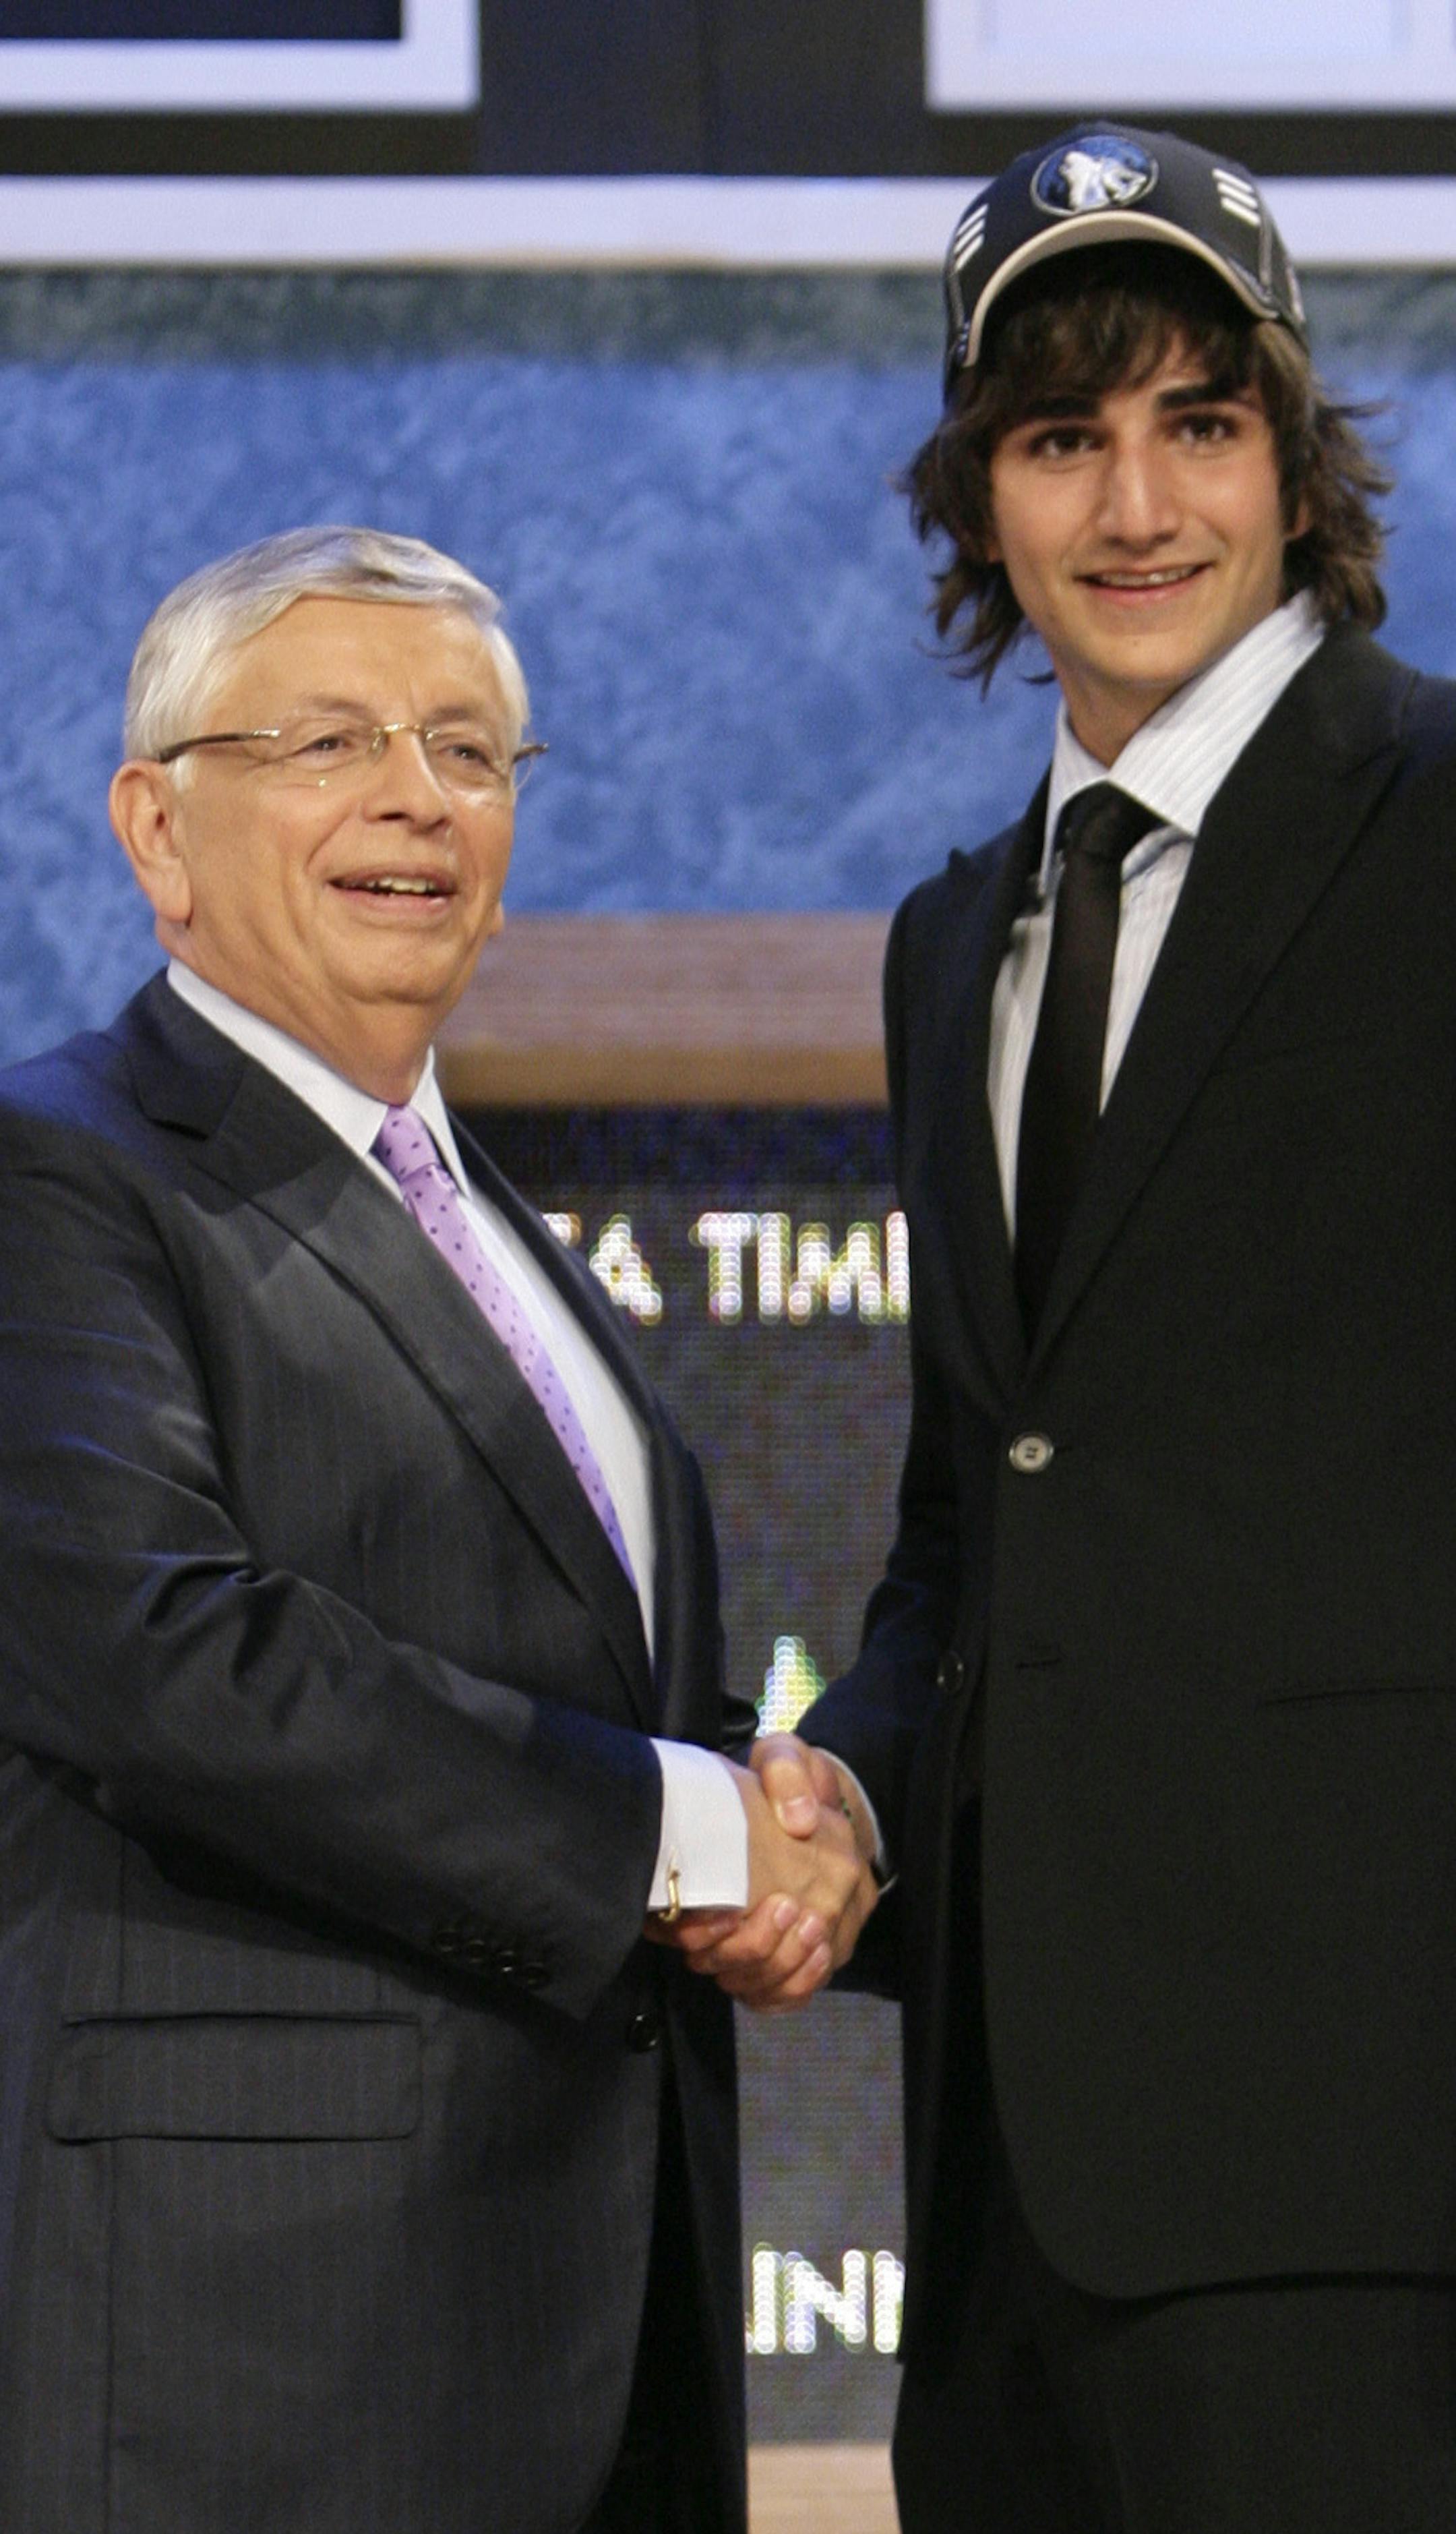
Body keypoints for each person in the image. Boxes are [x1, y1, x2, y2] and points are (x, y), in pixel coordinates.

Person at [679, 122, 1456, 2530]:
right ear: (981, 506)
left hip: (1371, 2173)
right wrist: (843, 1795)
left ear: (1295, 465)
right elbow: (980, 1510)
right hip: (1015, 2189)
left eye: (1197, 424)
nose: (1136, 504)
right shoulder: (952, 942)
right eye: (1060, 437)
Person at [0, 525, 874, 2534]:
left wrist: (794, 1817)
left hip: (587, 2332)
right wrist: (682, 1830)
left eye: (472, 752)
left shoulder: (487, 1224)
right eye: (329, 740)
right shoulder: (59, 1173)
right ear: (157, 826)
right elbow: (161, 1655)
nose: (417, 795)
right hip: (264, 2366)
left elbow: (569, 1670)